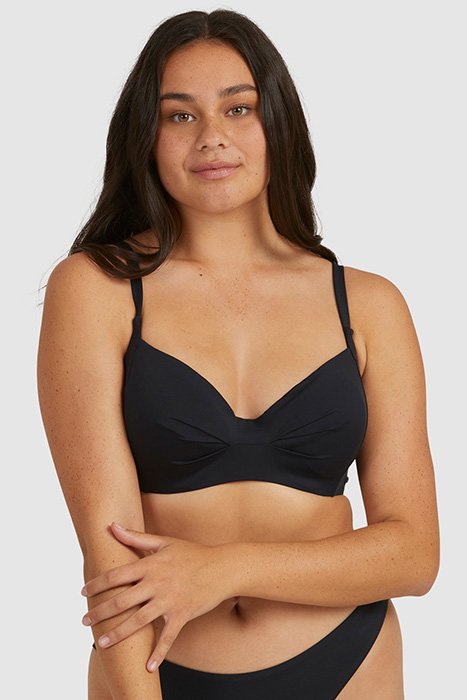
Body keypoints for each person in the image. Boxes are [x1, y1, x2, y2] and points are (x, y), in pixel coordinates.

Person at [37, 8, 440, 699]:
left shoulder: (369, 304)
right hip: (158, 672)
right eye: (179, 115)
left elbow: (414, 552)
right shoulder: (98, 289)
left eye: (238, 107)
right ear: (146, 137)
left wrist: (222, 568)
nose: (212, 137)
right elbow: (111, 563)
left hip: (350, 662)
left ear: (277, 124)